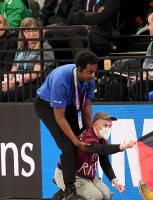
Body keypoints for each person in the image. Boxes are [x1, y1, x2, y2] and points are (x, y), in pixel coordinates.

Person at [34, 50, 98, 200]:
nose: (93, 76)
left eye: (95, 72)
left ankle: (61, 188)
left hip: (68, 104)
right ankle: (69, 190)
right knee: (68, 145)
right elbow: (60, 118)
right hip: (47, 106)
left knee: (84, 140)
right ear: (80, 69)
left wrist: (90, 131)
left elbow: (87, 105)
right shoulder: (61, 79)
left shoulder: (89, 79)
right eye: (90, 72)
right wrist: (75, 141)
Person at [53, 112, 136, 200]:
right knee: (96, 197)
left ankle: (62, 193)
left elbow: (105, 162)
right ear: (96, 125)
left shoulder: (102, 139)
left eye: (110, 126)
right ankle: (65, 194)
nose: (108, 128)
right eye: (105, 125)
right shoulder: (86, 137)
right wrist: (123, 146)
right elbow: (100, 149)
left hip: (86, 176)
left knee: (107, 195)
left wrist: (115, 181)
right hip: (70, 175)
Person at [1, 17, 54, 101]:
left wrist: (15, 83)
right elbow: (13, 70)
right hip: (19, 83)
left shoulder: (45, 47)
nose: (31, 34)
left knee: (10, 94)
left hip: (35, 85)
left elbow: (35, 74)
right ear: (23, 33)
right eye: (27, 31)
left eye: (34, 30)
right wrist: (8, 81)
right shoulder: (21, 48)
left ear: (39, 31)